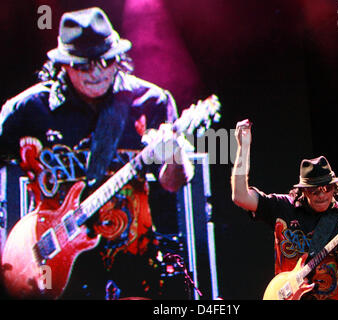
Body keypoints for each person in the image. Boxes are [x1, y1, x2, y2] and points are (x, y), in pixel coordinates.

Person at [0, 7, 194, 299]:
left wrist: (176, 152)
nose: (96, 73)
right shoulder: (28, 110)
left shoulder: (150, 102)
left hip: (131, 265)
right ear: (63, 65)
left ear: (118, 58)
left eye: (105, 62)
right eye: (83, 65)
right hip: (50, 269)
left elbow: (172, 182)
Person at [231, 119, 338, 300]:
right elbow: (240, 197)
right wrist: (243, 148)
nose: (321, 195)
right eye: (314, 190)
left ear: (334, 188)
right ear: (303, 190)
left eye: (327, 188)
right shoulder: (284, 207)